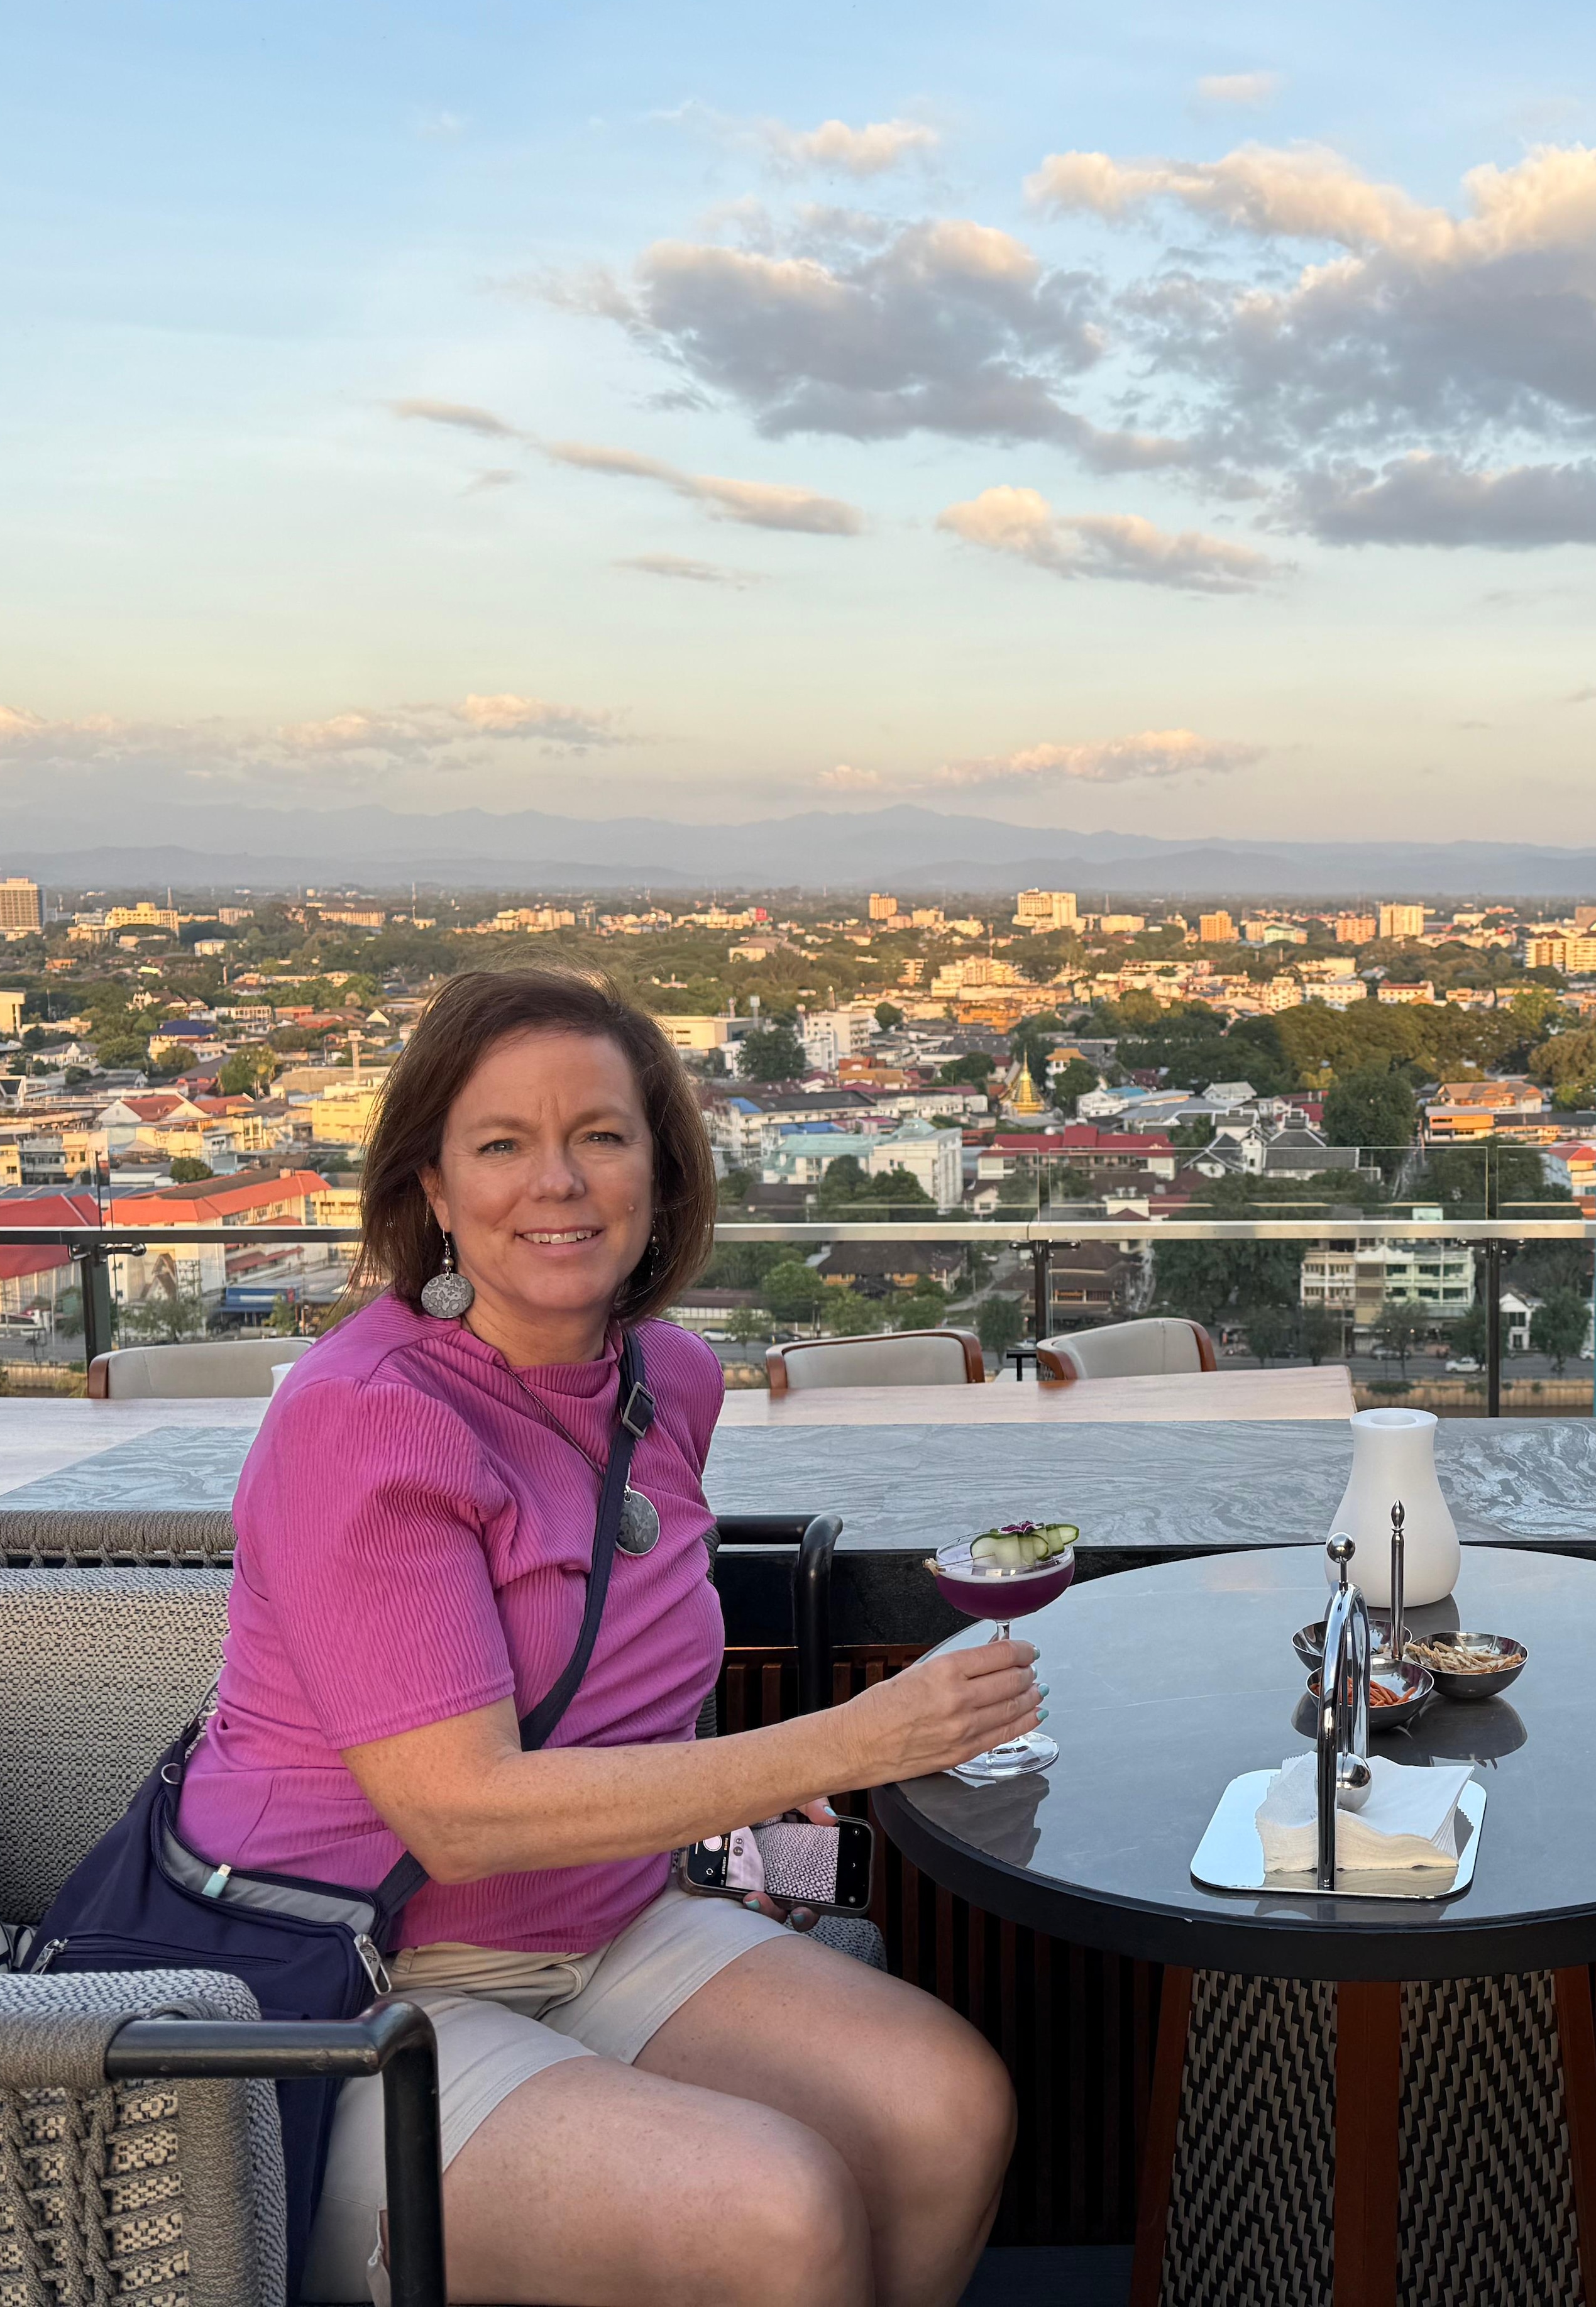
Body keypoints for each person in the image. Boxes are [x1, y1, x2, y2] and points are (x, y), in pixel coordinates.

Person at [179, 967, 1027, 2307]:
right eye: (503, 1144)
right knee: (773, 2211)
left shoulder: (669, 1381)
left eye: (600, 1137)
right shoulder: (368, 1416)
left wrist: (743, 1803)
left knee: (945, 2109)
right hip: (352, 1977)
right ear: (433, 1192)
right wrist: (844, 1741)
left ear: (660, 1171)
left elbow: (624, 1669)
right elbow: (457, 1815)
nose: (558, 1183)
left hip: (604, 1922)